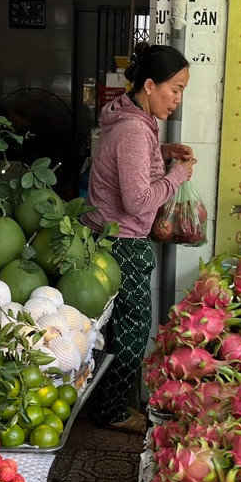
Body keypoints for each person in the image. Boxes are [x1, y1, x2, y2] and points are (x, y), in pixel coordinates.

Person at [85, 43, 195, 433]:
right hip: (123, 243)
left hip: (108, 238)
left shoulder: (132, 121)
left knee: (116, 330)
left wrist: (162, 151)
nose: (177, 100)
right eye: (175, 88)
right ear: (149, 85)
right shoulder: (134, 129)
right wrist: (177, 176)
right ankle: (112, 411)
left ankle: (108, 402)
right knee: (131, 334)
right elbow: (137, 201)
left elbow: (129, 165)